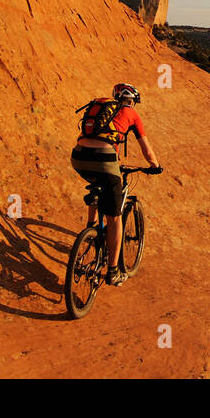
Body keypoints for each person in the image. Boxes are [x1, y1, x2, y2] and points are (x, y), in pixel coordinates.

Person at [70, 83, 161, 286]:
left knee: (98, 183)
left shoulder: (103, 109)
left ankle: (90, 226)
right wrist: (155, 165)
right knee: (115, 217)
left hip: (78, 158)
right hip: (104, 159)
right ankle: (113, 271)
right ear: (133, 102)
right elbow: (146, 148)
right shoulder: (132, 115)